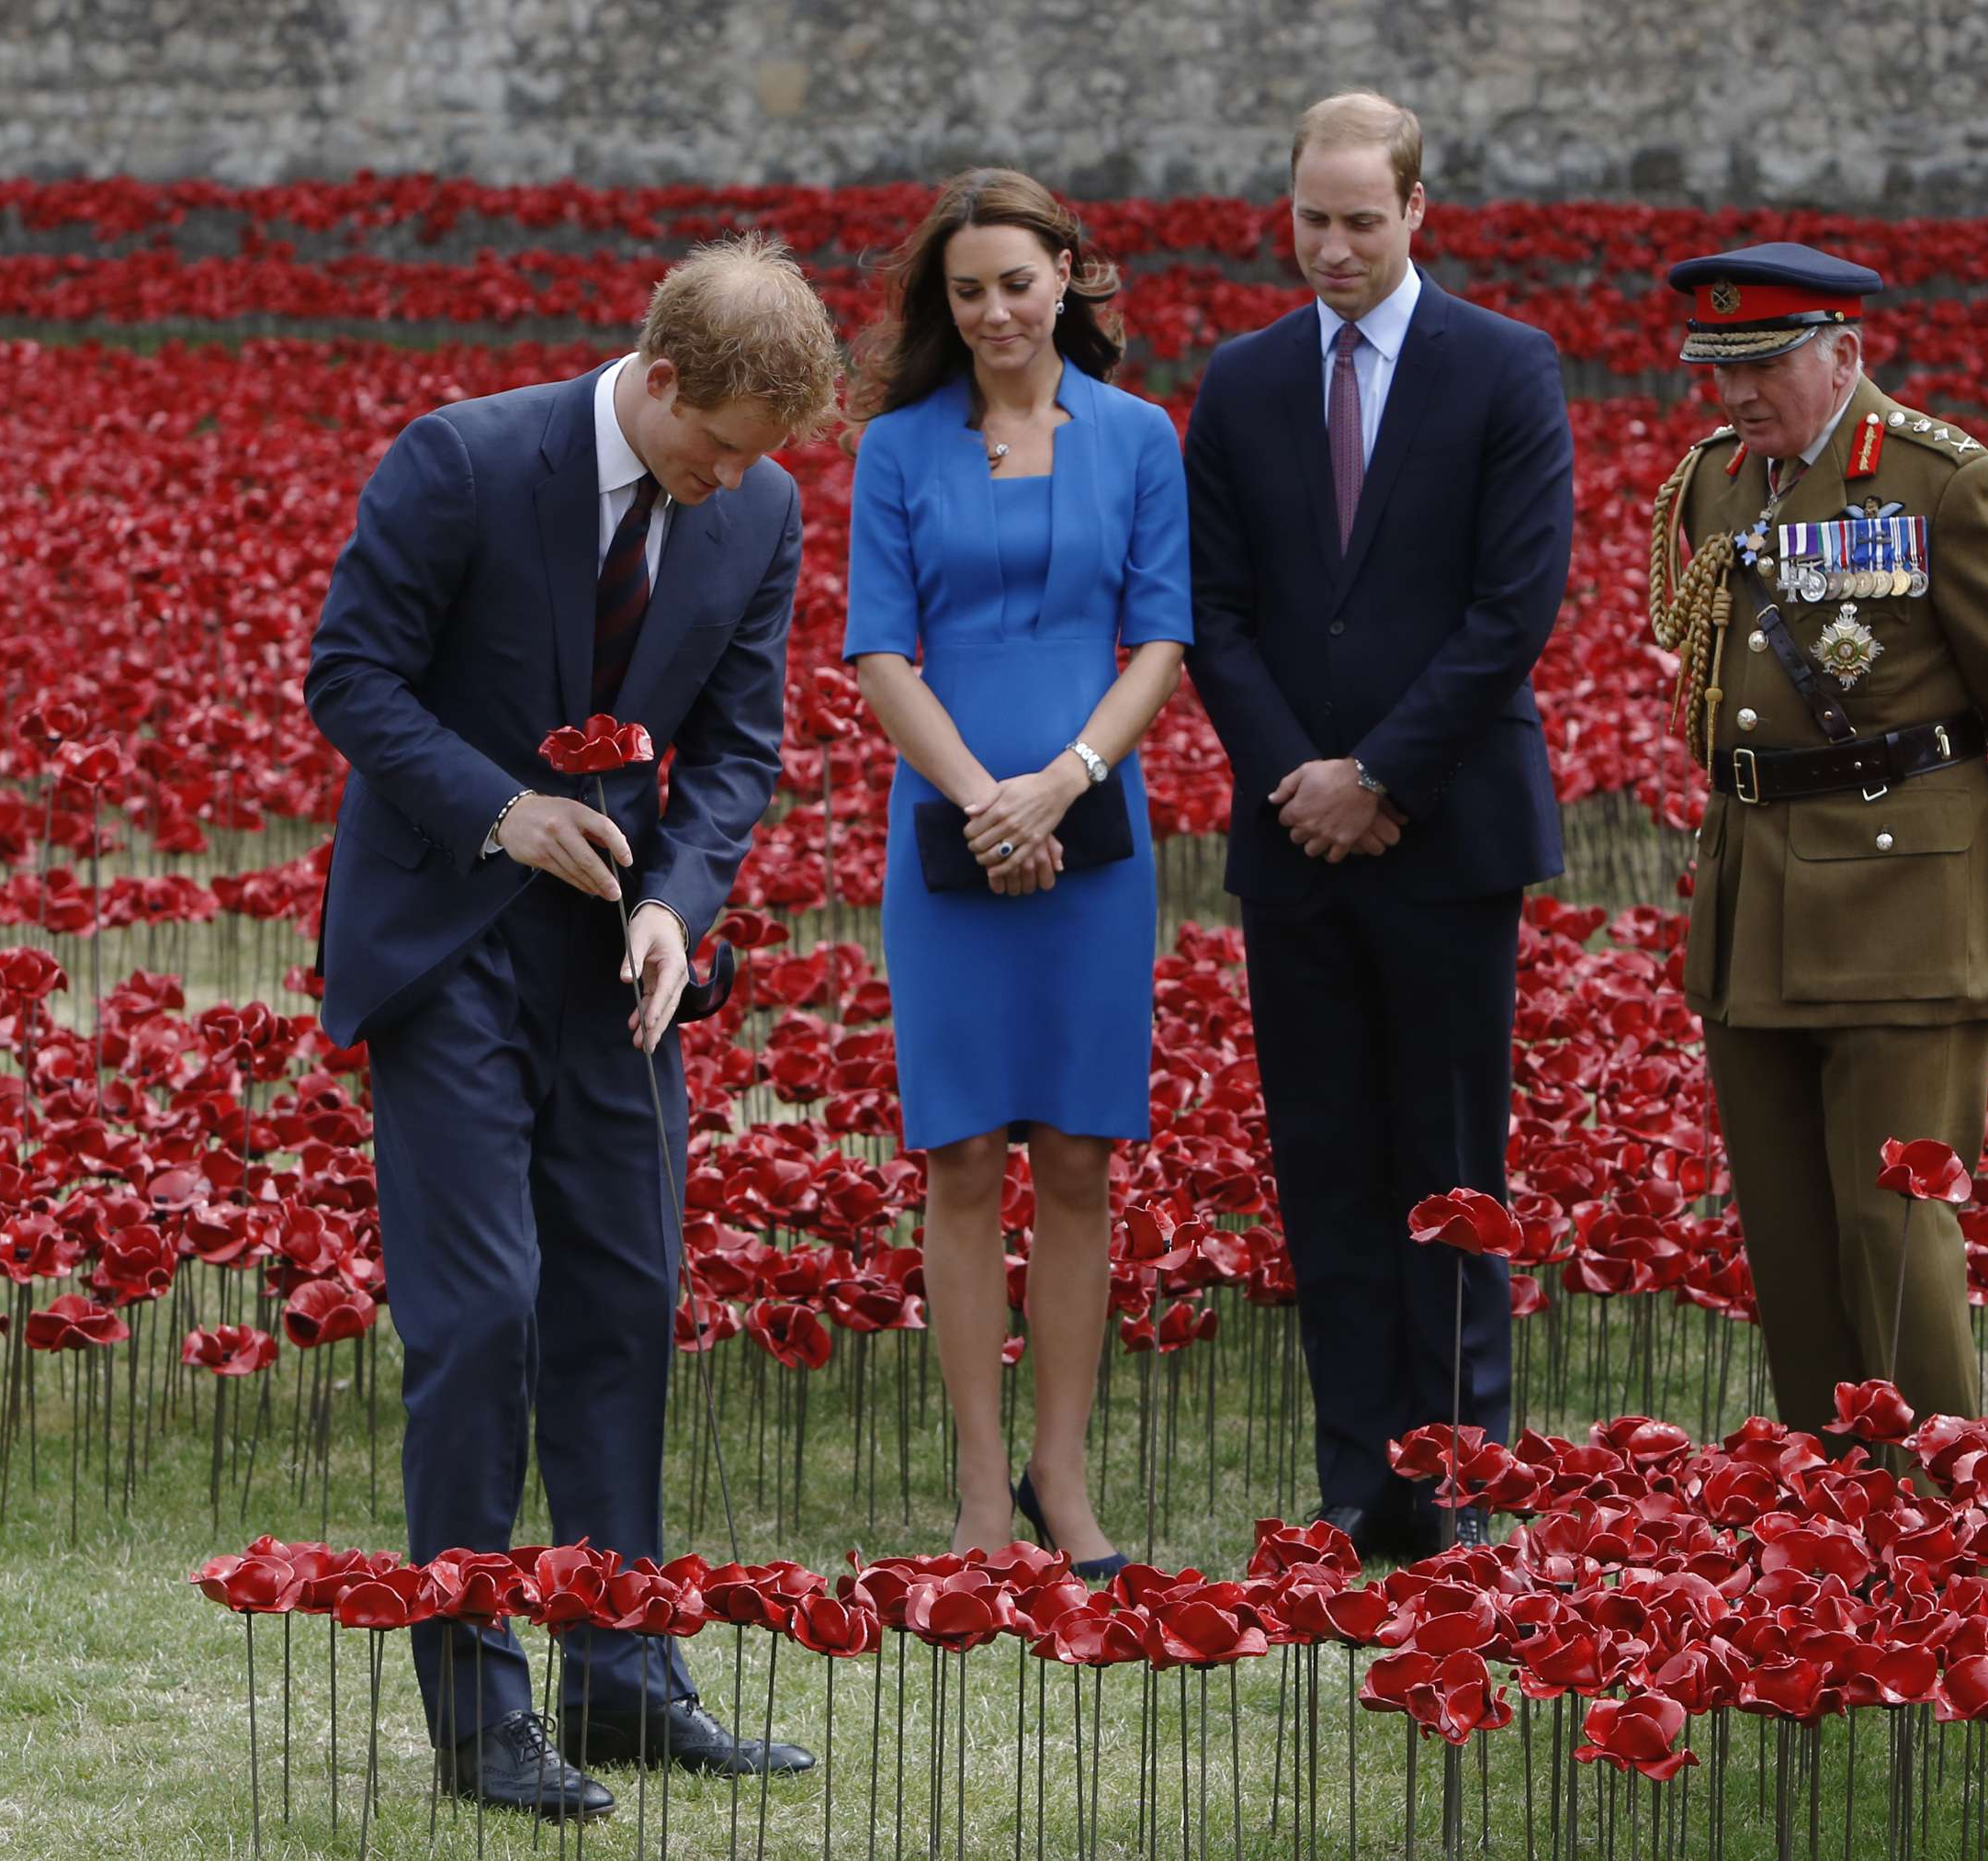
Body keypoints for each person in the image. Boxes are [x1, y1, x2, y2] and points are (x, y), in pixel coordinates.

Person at [303, 234, 835, 1819]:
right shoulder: (463, 460)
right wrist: (503, 811)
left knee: (622, 1297)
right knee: (482, 1315)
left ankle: (625, 1677)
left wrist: (680, 899)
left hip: (621, 961)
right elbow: (350, 676)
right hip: (449, 928)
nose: (732, 482)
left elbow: (739, 749)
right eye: (716, 445)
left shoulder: (763, 512)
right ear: (660, 377)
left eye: (759, 461)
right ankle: (481, 1721)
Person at [1183, 93, 1575, 1562]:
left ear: (1420, 212)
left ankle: (1460, 1469)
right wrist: (1303, 777)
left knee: (1453, 1163)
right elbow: (1214, 612)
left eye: (1361, 218)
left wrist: (1384, 777)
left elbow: (1509, 608)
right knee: (1327, 1162)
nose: (1333, 247)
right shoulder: (1242, 379)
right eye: (1310, 219)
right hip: (1295, 842)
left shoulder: (1503, 368)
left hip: (1450, 832)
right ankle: (1363, 1476)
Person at [1642, 242, 1988, 1444]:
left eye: (1768, 365)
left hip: (1910, 900)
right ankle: (1830, 1506)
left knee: (1893, 1225)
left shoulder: (1945, 486)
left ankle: (1947, 1514)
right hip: (1758, 896)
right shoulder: (1717, 486)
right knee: (1789, 1234)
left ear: (1846, 353)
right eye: (1718, 370)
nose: (1737, 396)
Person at [842, 170, 1192, 1579]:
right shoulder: (896, 449)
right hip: (947, 822)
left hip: (1094, 824)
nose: (994, 310)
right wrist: (989, 796)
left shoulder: (1142, 437)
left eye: (1016, 281)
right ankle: (983, 1491)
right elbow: (878, 651)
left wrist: (1066, 781)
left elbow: (1161, 639)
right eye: (967, 290)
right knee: (965, 1151)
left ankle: (1064, 1472)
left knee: (1080, 1155)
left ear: (1068, 278)